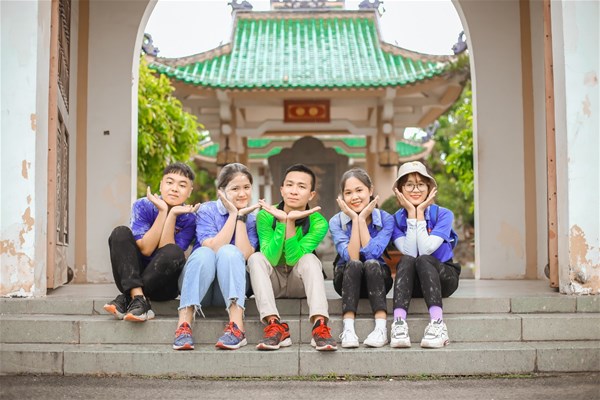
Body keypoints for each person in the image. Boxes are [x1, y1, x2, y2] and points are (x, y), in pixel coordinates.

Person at [247, 164, 337, 351]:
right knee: (256, 258)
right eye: (289, 185)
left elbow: (292, 259)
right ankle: (274, 325)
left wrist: (290, 223)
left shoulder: (318, 222)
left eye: (301, 186)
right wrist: (281, 221)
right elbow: (271, 258)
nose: (294, 191)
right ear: (282, 190)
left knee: (310, 260)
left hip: (299, 282)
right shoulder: (265, 216)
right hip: (273, 281)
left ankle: (320, 326)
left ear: (311, 194)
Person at [173, 163, 260, 351]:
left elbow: (244, 254)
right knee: (204, 252)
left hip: (228, 291)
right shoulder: (207, 210)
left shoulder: (253, 218)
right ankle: (183, 326)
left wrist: (241, 218)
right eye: (235, 189)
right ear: (221, 191)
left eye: (246, 187)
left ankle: (237, 328)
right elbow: (213, 247)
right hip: (199, 288)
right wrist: (232, 214)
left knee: (230, 252)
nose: (242, 193)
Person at [103, 162, 199, 322]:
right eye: (170, 182)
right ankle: (138, 298)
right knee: (120, 233)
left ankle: (128, 297)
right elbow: (146, 249)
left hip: (164, 285)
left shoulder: (190, 218)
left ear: (189, 192)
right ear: (161, 185)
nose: (174, 189)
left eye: (182, 185)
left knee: (174, 251)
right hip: (131, 275)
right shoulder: (143, 205)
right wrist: (162, 211)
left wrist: (172, 215)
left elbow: (167, 253)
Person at [389, 161, 461, 349]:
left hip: (443, 277)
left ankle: (438, 324)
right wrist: (411, 214)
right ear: (400, 190)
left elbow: (426, 250)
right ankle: (399, 324)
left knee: (424, 259)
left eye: (421, 184)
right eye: (409, 185)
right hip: (414, 283)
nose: (416, 190)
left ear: (429, 188)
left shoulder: (443, 214)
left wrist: (419, 212)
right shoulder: (395, 220)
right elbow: (410, 253)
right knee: (408, 260)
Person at [329, 168, 394, 348]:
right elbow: (352, 257)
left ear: (370, 190)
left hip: (378, 279)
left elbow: (372, 254)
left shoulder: (386, 219)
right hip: (346, 280)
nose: (354, 197)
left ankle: (381, 329)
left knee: (372, 263)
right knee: (355, 264)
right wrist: (355, 218)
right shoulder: (336, 221)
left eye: (359, 190)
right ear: (342, 196)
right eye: (348, 193)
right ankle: (348, 329)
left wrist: (362, 218)